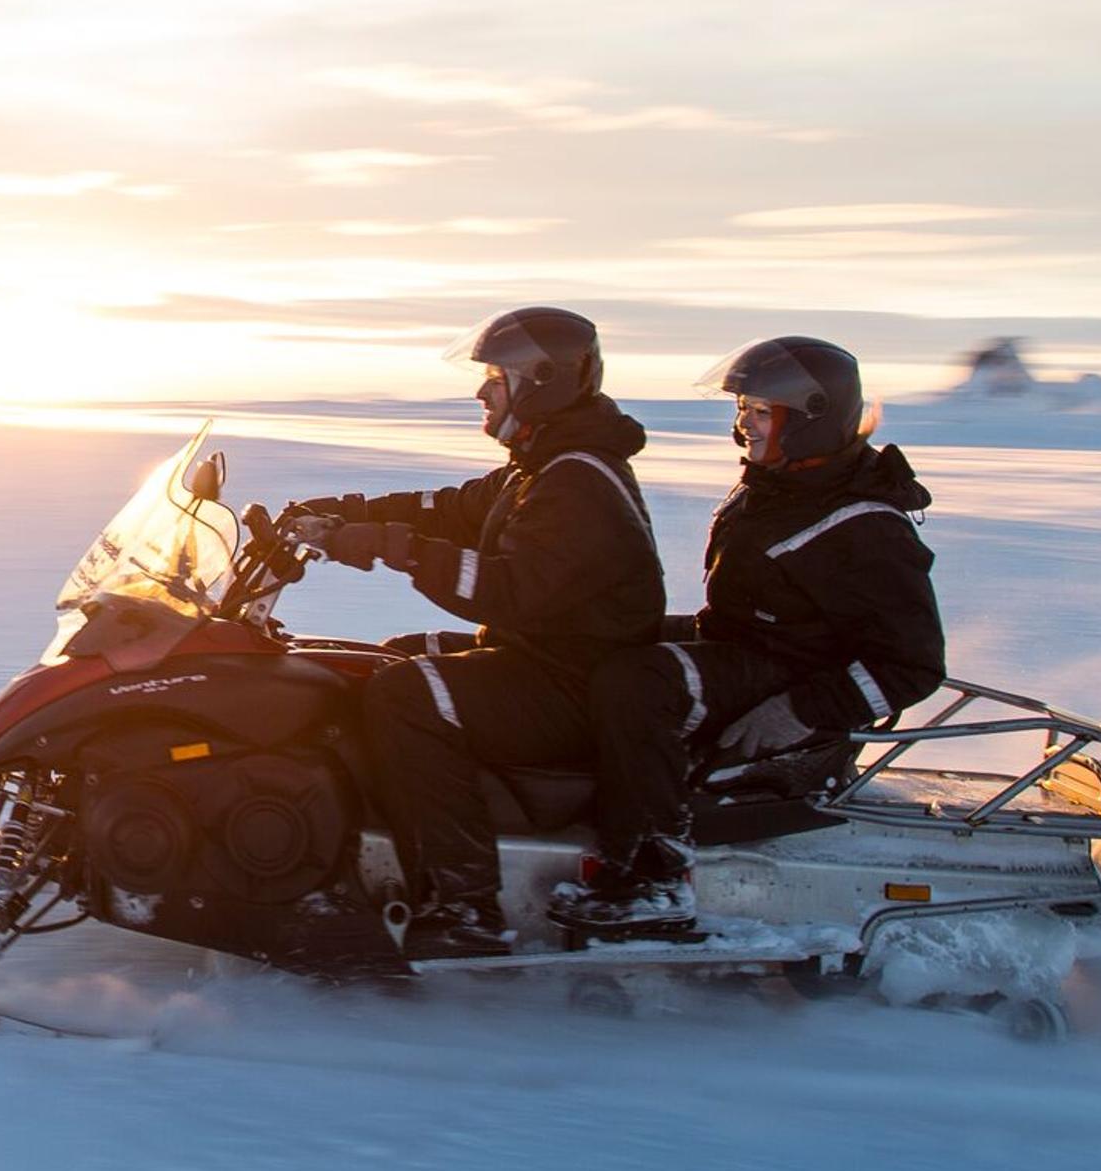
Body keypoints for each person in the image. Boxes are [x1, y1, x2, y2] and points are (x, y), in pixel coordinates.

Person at [282, 307, 667, 959]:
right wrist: (340, 514)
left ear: (541, 381)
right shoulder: (543, 463)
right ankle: (362, 852)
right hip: (545, 659)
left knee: (409, 694)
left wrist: (393, 548)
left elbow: (508, 588)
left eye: (496, 376)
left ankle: (465, 904)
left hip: (571, 683)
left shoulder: (578, 482)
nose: (482, 391)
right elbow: (448, 508)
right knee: (380, 661)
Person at [557, 335, 944, 931]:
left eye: (762, 412)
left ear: (810, 421)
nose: (744, 427)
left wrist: (800, 710)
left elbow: (913, 663)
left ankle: (652, 875)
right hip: (748, 647)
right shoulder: (785, 487)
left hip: (792, 676)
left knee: (638, 682)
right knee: (603, 636)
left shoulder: (864, 526)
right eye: (743, 410)